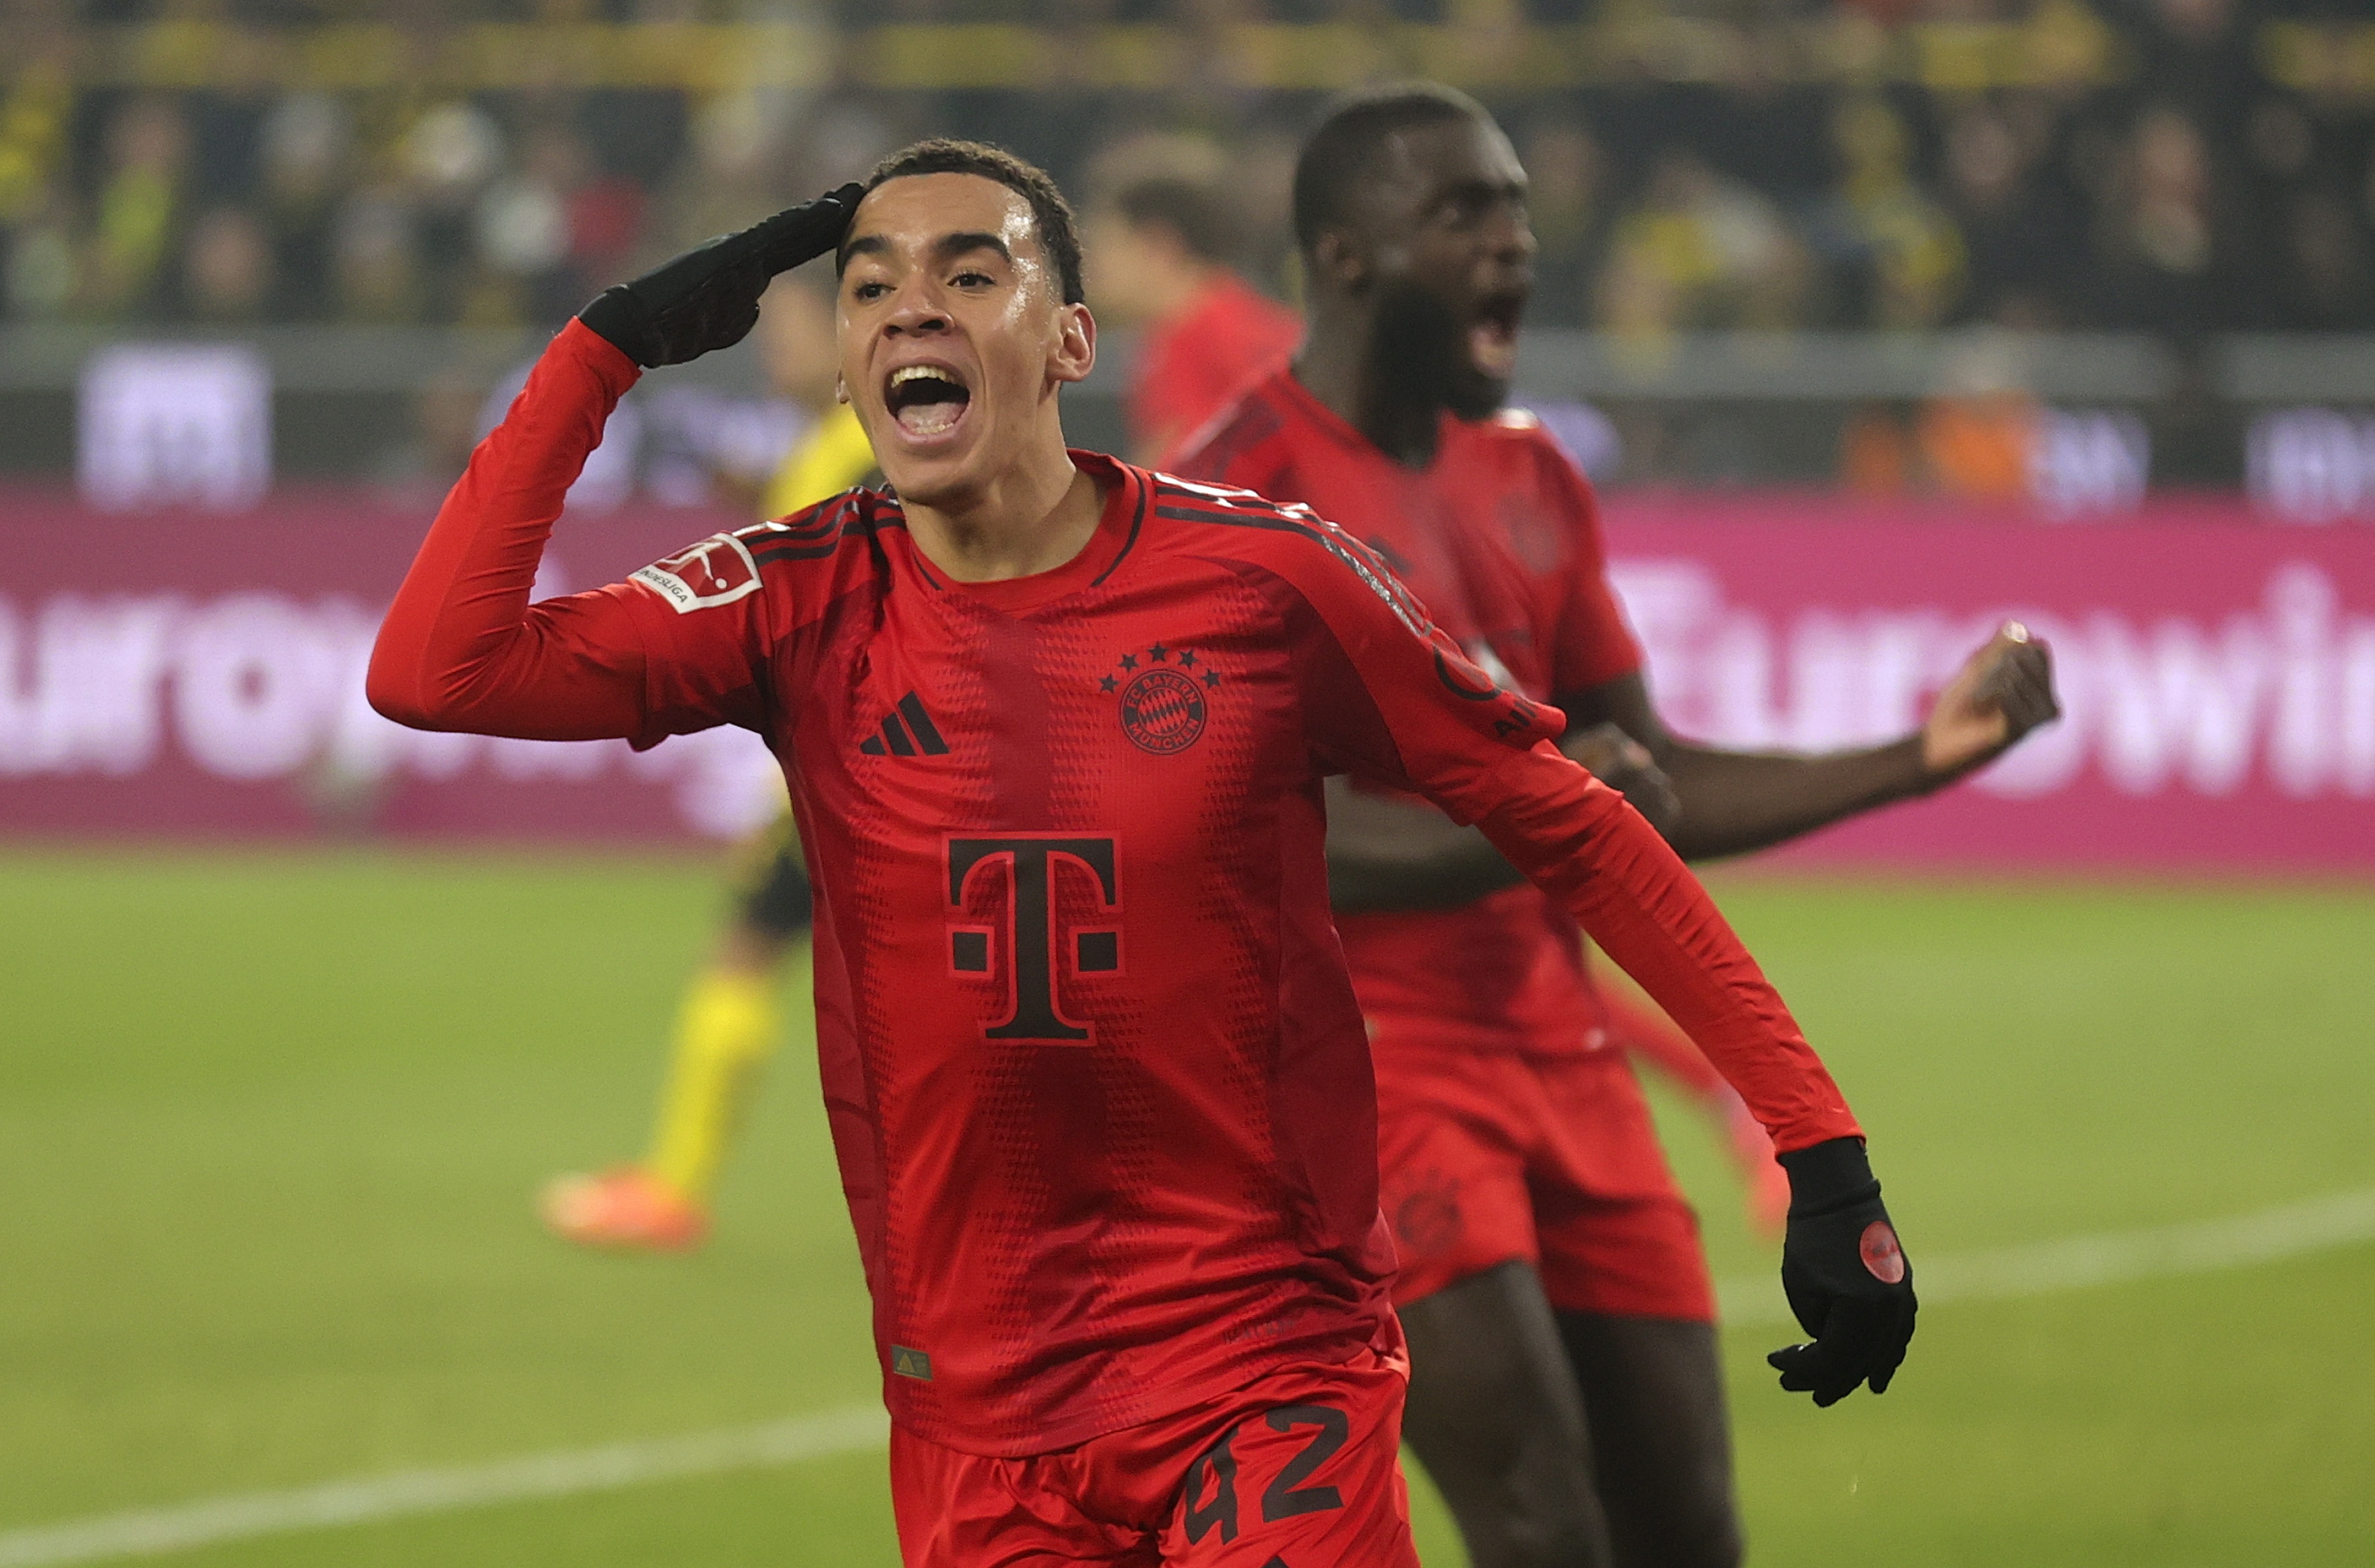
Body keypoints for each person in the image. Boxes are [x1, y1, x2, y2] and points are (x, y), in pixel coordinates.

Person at [369, 140, 1916, 1568]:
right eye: (870, 286)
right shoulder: (795, 600)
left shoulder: (1260, 580)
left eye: (971, 272)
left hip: (1263, 1373)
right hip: (976, 1418)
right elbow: (434, 672)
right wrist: (606, 348)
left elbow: (1571, 818)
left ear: (1067, 342)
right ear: (845, 366)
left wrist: (1819, 1147)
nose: (915, 305)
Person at [1173, 85, 2056, 1568]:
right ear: (1343, 252)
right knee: (1540, 1525)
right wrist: (1542, 812)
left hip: (1567, 1064)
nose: (1512, 244)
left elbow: (1649, 782)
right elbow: (1246, 843)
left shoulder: (1527, 473)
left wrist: (1917, 753)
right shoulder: (1227, 497)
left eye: (1515, 209)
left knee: (1686, 1535)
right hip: (1370, 1081)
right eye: (1461, 214)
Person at [542, 273, 877, 1251]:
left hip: (856, 758)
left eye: (793, 335)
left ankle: (674, 1187)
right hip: (855, 754)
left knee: (751, 952)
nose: (773, 356)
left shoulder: (862, 452)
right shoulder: (832, 446)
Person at [1081, 144, 1302, 462]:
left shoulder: (1225, 336)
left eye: (1105, 245)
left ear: (1157, 246)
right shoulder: (1172, 335)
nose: (1092, 265)